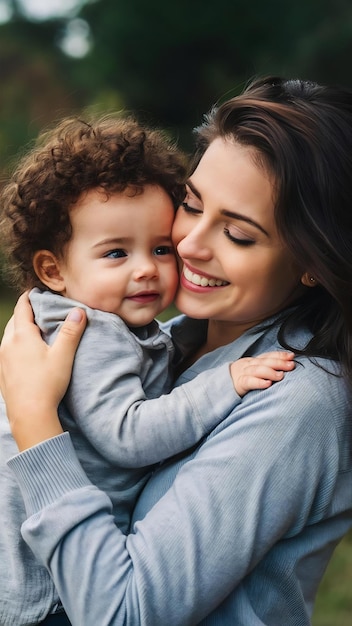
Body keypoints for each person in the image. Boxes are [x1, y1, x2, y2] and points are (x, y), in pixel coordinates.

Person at [1, 75, 352, 626]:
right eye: (191, 204)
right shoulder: (170, 338)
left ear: (313, 261)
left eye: (238, 234)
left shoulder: (298, 398)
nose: (188, 244)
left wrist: (34, 421)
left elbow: (123, 615)